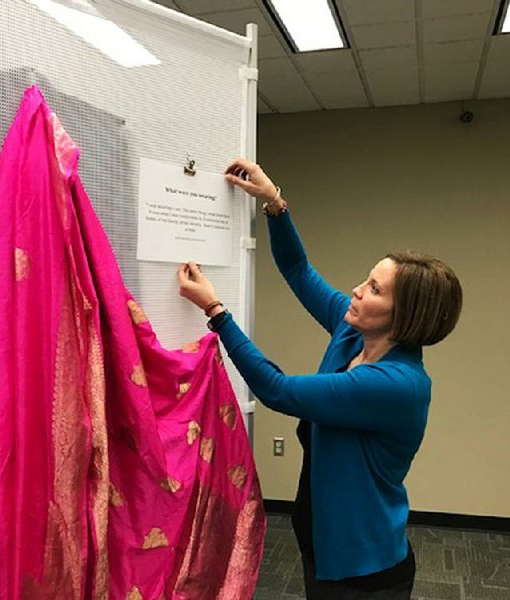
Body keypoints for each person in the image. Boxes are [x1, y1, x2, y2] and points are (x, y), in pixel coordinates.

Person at [177, 158, 463, 600]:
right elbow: (298, 271)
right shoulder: (353, 333)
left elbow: (277, 389)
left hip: (364, 571)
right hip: (321, 540)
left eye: (374, 289)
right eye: (366, 280)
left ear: (403, 316)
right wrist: (274, 204)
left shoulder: (397, 383)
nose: (356, 290)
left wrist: (218, 314)